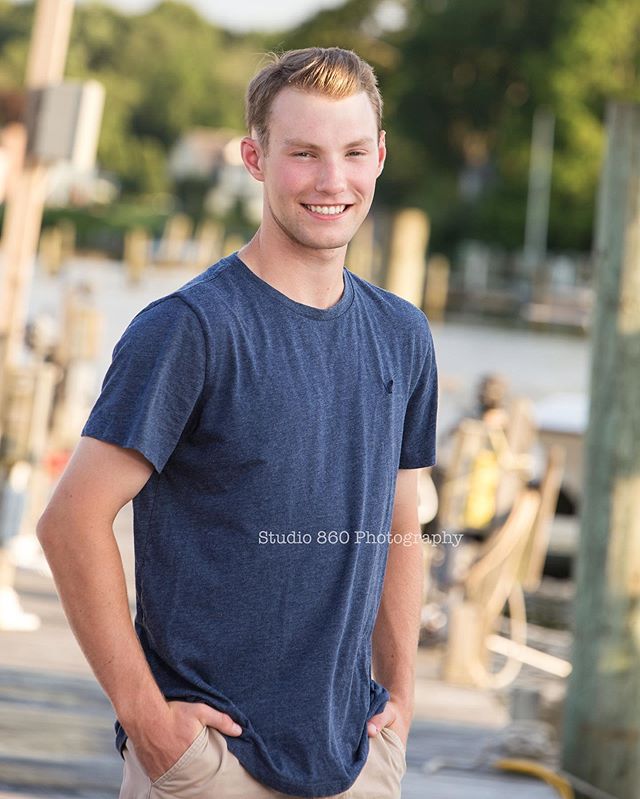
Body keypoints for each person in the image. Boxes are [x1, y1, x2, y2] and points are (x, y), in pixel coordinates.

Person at [36, 47, 438, 799]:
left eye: (353, 152)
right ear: (255, 158)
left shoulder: (402, 333)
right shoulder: (189, 329)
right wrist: (149, 722)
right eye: (304, 154)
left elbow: (401, 516)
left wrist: (402, 697)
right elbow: (70, 520)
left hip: (357, 757)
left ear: (379, 156)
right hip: (212, 765)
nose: (332, 180)